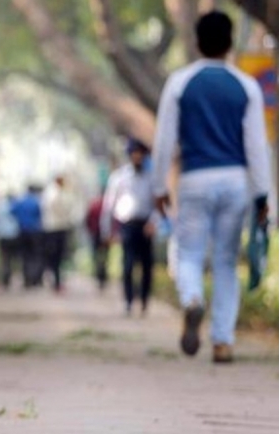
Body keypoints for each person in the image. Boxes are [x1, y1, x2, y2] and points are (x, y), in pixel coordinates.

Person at [151, 10, 271, 363]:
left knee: (188, 253)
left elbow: (164, 141)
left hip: (195, 180)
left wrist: (159, 187)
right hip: (235, 181)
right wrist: (265, 195)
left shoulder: (180, 82)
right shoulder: (246, 85)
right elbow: (256, 146)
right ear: (231, 43)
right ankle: (223, 340)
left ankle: (191, 299)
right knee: (225, 261)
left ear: (197, 42)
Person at [101, 139, 157, 316]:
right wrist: (107, 230)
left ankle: (145, 300)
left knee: (147, 266)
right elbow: (109, 206)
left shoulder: (152, 178)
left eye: (141, 153)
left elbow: (159, 204)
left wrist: (153, 222)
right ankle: (128, 300)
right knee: (128, 264)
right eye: (135, 153)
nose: (138, 156)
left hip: (146, 225)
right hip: (127, 226)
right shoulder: (119, 178)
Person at [40, 175, 79, 293]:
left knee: (58, 257)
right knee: (55, 256)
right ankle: (55, 281)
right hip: (55, 228)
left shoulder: (53, 192)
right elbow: (61, 207)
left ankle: (56, 281)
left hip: (57, 228)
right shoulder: (54, 193)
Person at [10, 185, 44, 288]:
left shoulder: (20, 201)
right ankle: (36, 279)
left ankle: (27, 280)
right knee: (35, 255)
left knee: (25, 256)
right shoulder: (36, 201)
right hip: (35, 231)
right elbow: (41, 214)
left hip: (22, 231)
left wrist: (21, 219)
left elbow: (12, 211)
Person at [0, 193, 21, 289]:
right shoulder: (15, 206)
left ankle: (5, 279)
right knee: (14, 258)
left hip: (2, 236)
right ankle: (12, 276)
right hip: (13, 235)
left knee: (5, 258)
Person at [84, 187, 110, 292]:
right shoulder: (107, 205)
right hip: (103, 234)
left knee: (97, 256)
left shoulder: (94, 205)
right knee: (104, 256)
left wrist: (90, 230)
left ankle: (100, 276)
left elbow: (87, 220)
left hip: (96, 234)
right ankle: (102, 276)